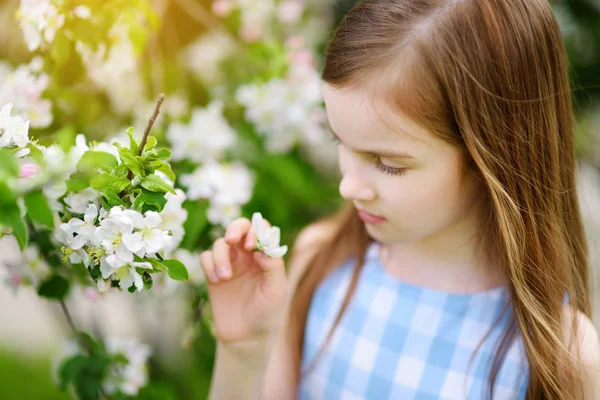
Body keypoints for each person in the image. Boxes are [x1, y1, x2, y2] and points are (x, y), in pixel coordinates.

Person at [200, 0, 600, 398]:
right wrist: (245, 351)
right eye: (341, 141)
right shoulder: (321, 263)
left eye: (388, 163)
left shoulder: (560, 356)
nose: (348, 187)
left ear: (494, 155)